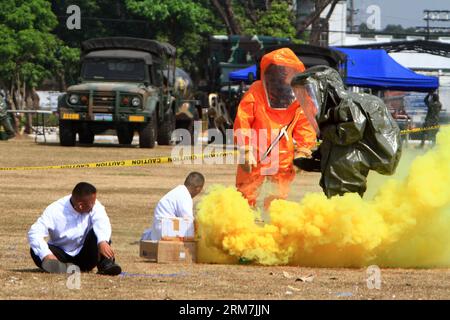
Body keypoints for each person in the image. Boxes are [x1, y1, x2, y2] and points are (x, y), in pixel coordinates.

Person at [291, 65, 402, 198]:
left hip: (347, 171)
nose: (308, 97)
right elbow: (332, 146)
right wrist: (315, 160)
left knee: (345, 207)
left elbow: (348, 133)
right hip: (339, 172)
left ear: (327, 87)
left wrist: (325, 129)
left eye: (310, 91)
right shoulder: (332, 112)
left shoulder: (347, 105)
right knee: (338, 207)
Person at [233, 48, 316, 208]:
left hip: (283, 154)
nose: (281, 75)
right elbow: (243, 120)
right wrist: (245, 149)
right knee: (245, 194)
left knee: (277, 197)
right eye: (278, 71)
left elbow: (305, 125)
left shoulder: (300, 94)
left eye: (285, 71)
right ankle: (241, 225)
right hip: (255, 152)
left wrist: (303, 151)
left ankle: (273, 226)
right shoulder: (256, 90)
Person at [28, 182, 122, 275]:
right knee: (35, 251)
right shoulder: (54, 210)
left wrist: (102, 241)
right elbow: (34, 233)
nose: (95, 204)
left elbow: (102, 221)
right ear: (80, 205)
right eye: (92, 204)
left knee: (100, 234)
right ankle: (60, 267)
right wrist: (46, 255)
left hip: (86, 256)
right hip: (61, 256)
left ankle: (106, 265)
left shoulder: (94, 204)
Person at [141, 172, 205, 240]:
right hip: (165, 231)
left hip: (158, 229)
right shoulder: (185, 197)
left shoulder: (179, 191)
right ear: (198, 188)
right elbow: (188, 222)